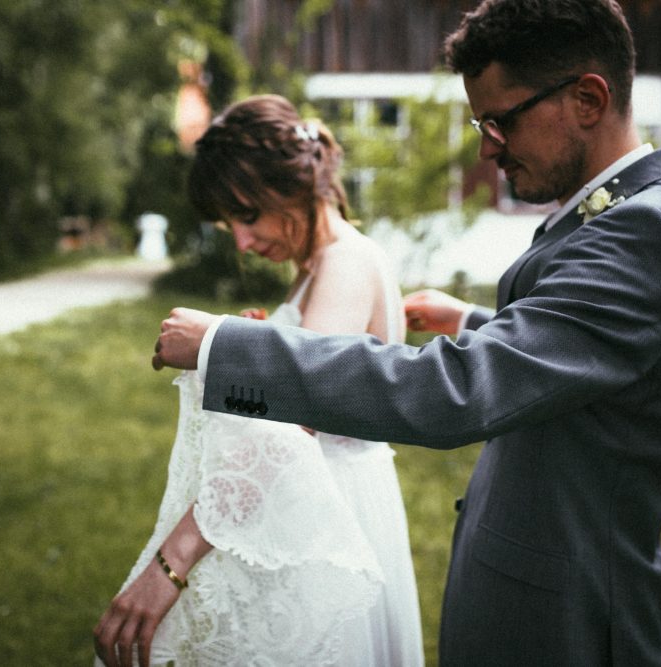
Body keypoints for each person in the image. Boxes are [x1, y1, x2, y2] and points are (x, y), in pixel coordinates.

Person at [149, 1, 661, 665]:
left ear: (588, 99)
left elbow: (453, 393)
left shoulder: (641, 233)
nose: (486, 146)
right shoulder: (624, 217)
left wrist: (228, 347)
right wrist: (477, 321)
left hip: (565, 623)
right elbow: (583, 356)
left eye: (499, 120)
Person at [94, 94, 424, 666]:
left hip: (333, 516)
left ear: (294, 186)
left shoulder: (344, 264)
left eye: (248, 216)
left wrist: (168, 567)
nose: (242, 242)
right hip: (303, 508)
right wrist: (267, 338)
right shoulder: (318, 268)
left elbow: (290, 432)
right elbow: (304, 383)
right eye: (231, 225)